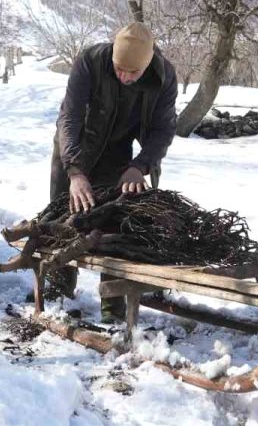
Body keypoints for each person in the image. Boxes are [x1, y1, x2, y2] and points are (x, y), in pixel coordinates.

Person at [49, 22, 178, 321]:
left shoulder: (164, 76)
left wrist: (140, 166)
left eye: (132, 73)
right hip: (75, 148)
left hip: (119, 155)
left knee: (113, 223)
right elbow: (69, 117)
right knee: (63, 218)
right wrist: (75, 171)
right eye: (119, 69)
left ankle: (112, 307)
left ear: (146, 66)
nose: (124, 76)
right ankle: (59, 290)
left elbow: (163, 129)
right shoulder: (90, 62)